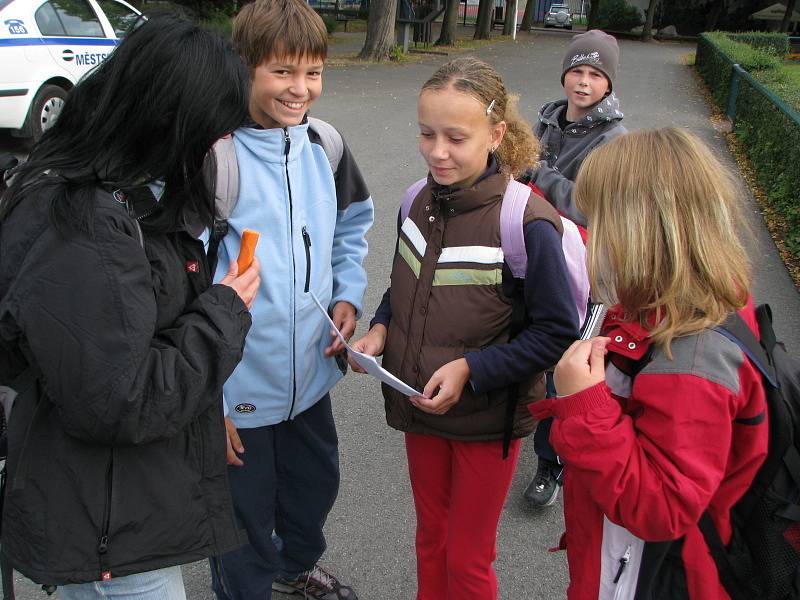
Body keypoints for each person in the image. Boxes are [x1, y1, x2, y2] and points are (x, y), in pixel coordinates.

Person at [0, 15, 259, 600]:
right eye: (209, 133)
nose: (216, 148)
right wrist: (225, 310)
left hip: (123, 507)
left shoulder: (126, 185)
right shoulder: (81, 223)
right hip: (108, 531)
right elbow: (122, 398)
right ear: (168, 121)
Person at [349, 57, 578, 600]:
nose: (437, 151)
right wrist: (381, 328)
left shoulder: (526, 221)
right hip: (420, 407)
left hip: (486, 421)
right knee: (430, 539)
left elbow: (556, 332)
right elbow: (404, 287)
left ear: (496, 134)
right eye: (427, 134)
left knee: (468, 556)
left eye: (456, 137)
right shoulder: (415, 199)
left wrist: (472, 369)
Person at [529, 128, 769, 599]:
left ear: (643, 235)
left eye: (598, 223)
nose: (590, 235)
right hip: (620, 556)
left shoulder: (692, 363)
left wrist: (584, 403)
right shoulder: (682, 304)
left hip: (643, 575)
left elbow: (661, 506)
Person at [207, 1, 373, 599]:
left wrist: (348, 293)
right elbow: (182, 281)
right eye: (282, 71)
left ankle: (294, 567)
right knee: (241, 521)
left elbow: (352, 226)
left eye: (313, 72)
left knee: (313, 490)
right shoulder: (215, 156)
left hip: (310, 380)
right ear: (246, 66)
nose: (300, 88)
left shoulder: (324, 146)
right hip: (239, 388)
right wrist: (210, 398)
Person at [522, 28, 627, 508]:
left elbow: (590, 207)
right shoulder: (548, 119)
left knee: (565, 366)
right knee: (524, 339)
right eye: (577, 71)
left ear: (608, 84)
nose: (583, 82)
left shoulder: (614, 140)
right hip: (538, 254)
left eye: (594, 74)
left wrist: (536, 174)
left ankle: (552, 462)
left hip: (586, 272)